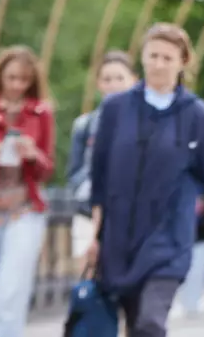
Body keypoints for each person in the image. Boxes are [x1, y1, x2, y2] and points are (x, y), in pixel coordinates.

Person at [85, 23, 204, 337]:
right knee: (132, 324)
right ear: (142, 57)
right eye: (153, 55)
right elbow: (99, 174)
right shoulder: (115, 109)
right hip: (120, 236)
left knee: (150, 323)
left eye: (167, 58)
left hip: (168, 237)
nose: (158, 64)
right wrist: (95, 235)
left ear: (182, 62)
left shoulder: (196, 114)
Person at [0, 46, 55, 337]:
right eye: (12, 77)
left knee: (10, 297)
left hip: (23, 213)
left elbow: (48, 169)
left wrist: (33, 155)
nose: (17, 85)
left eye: (24, 79)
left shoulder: (41, 113)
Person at [68, 51, 138, 265]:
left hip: (131, 216)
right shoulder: (85, 124)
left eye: (120, 78)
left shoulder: (145, 124)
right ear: (99, 83)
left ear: (134, 81)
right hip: (89, 212)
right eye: (107, 79)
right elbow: (74, 171)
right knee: (87, 276)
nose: (113, 85)